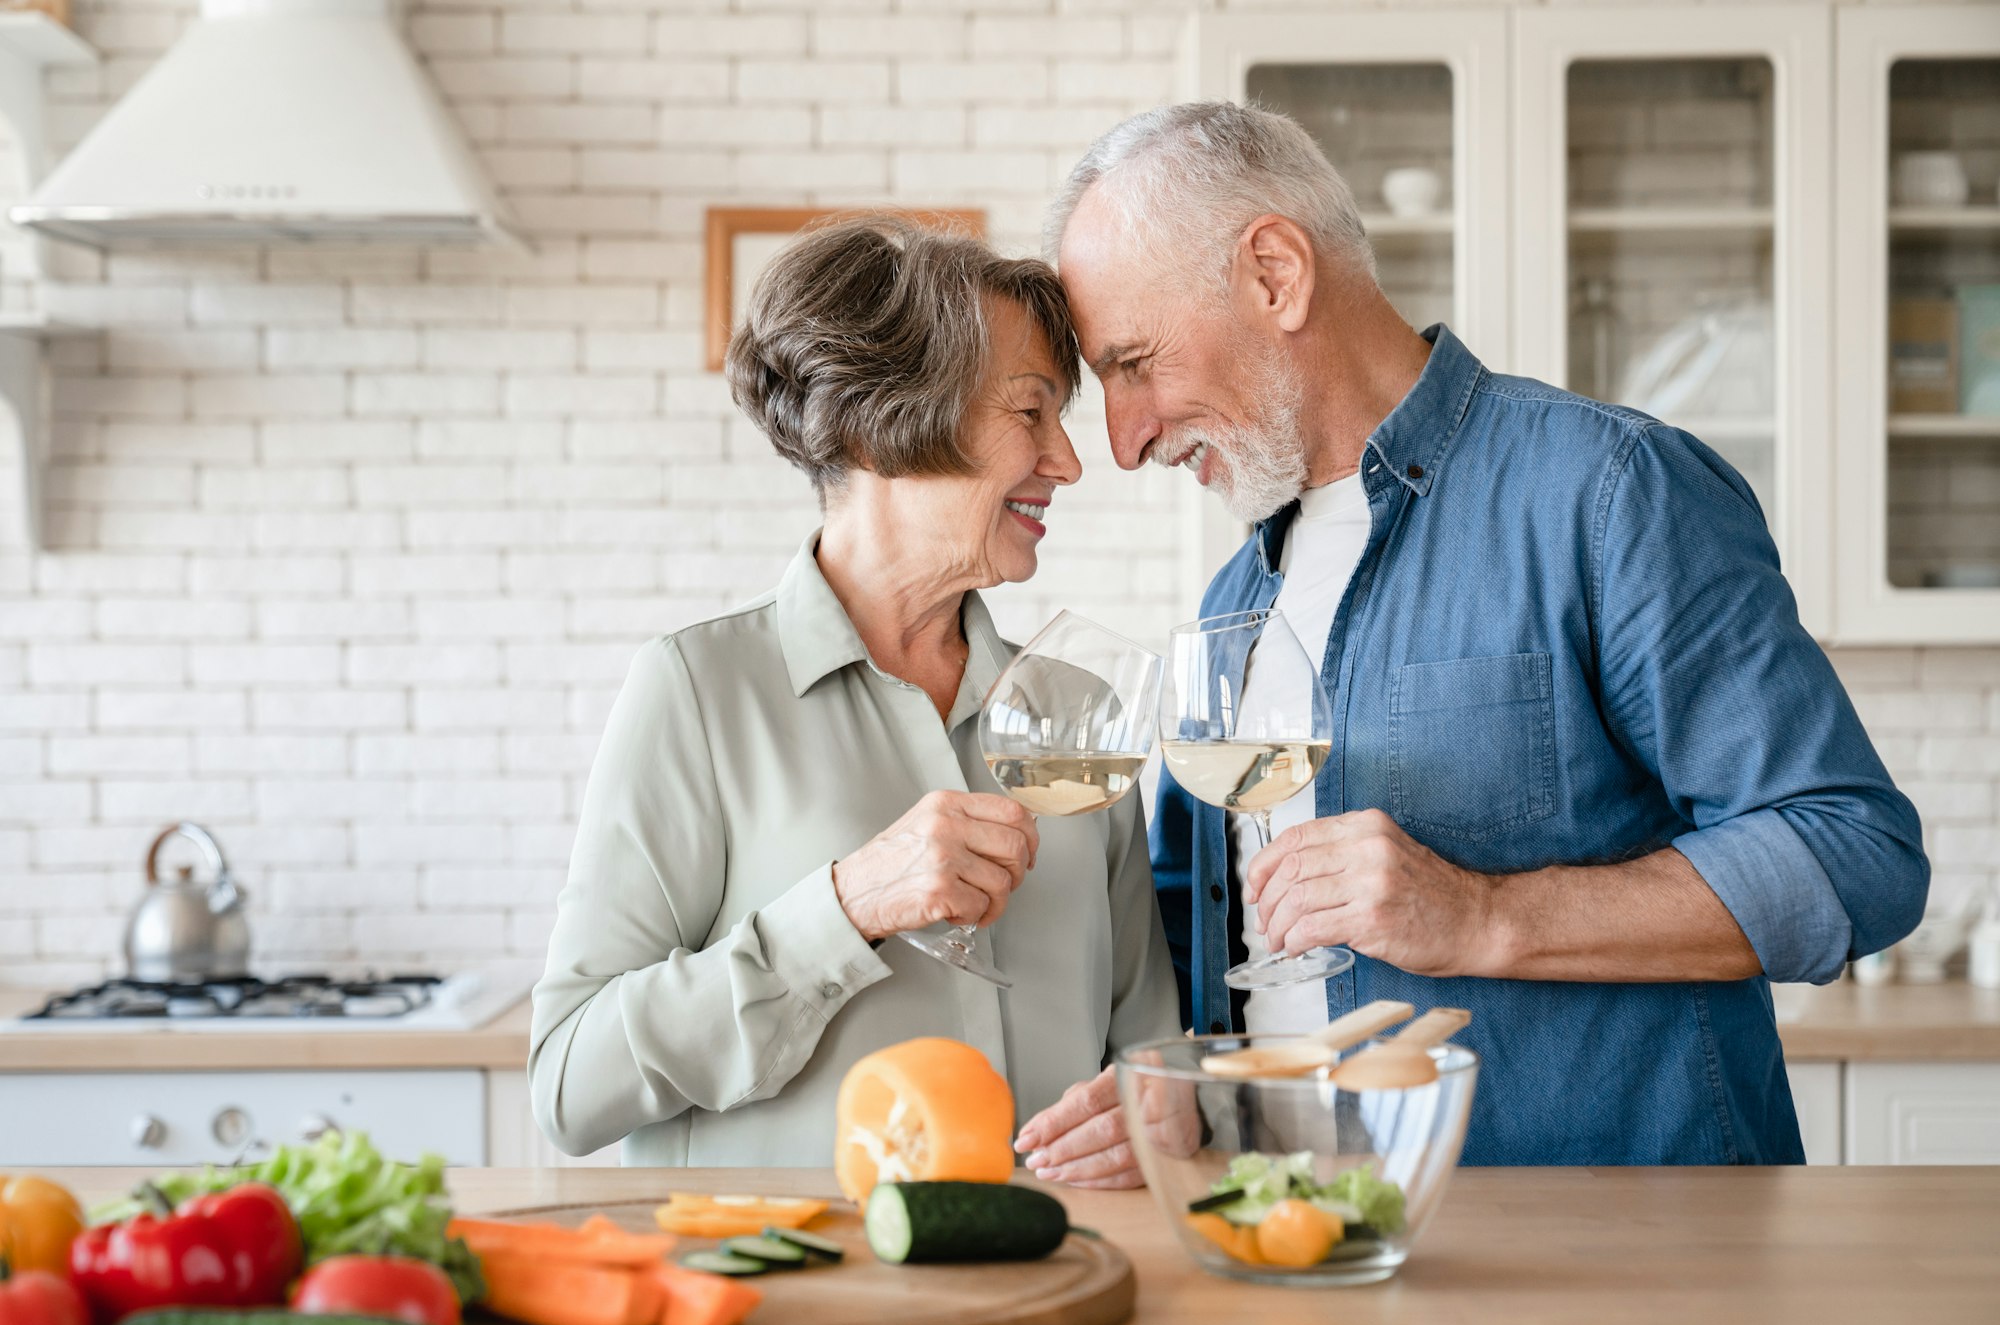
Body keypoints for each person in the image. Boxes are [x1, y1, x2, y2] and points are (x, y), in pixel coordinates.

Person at [1022, 102, 1929, 1169]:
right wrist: (1189, 1092)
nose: (1124, 441)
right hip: (1310, 1237)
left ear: (1273, 274)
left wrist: (1481, 914)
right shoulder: (1234, 596)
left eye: (1133, 363)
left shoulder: (1605, 492)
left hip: (1616, 1254)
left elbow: (1853, 853)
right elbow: (1213, 945)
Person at [530, 217, 1180, 1170]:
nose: (1069, 462)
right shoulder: (700, 694)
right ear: (886, 425)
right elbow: (568, 1088)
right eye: (1031, 413)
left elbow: (1152, 1054)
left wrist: (1152, 1110)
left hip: (1049, 1292)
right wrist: (843, 909)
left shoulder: (1072, 717)